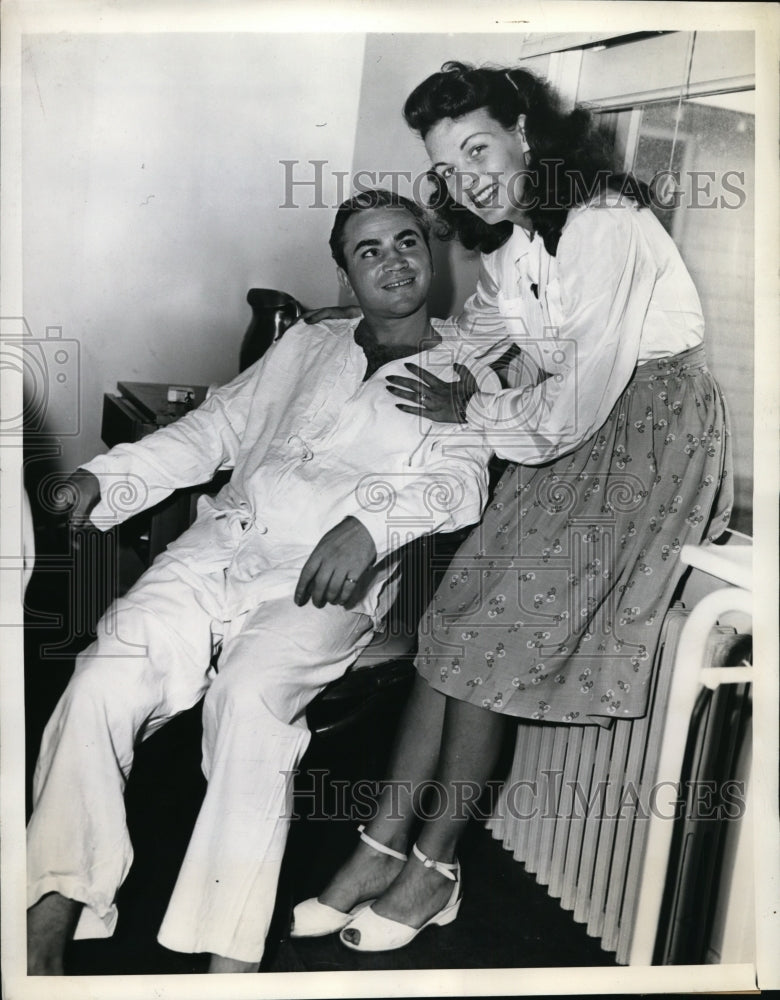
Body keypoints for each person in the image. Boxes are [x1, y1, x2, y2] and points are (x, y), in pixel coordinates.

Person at [292, 62, 732, 952]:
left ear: (525, 133)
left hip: (641, 437)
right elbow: (484, 335)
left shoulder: (604, 222)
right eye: (447, 166)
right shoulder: (515, 239)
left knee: (482, 644)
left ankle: (435, 870)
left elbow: (573, 403)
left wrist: (473, 410)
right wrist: (383, 340)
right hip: (570, 437)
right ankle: (380, 848)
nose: (467, 179)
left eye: (479, 150)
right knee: (447, 629)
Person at [25, 189, 498, 974]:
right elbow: (214, 427)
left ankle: (229, 963)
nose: (393, 261)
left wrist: (371, 525)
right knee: (102, 678)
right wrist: (107, 479)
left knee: (250, 702)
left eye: (407, 242)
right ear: (345, 273)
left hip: (323, 583)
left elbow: (463, 480)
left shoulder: (467, 370)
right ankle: (49, 915)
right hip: (218, 550)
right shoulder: (308, 344)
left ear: (431, 254)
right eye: (370, 250)